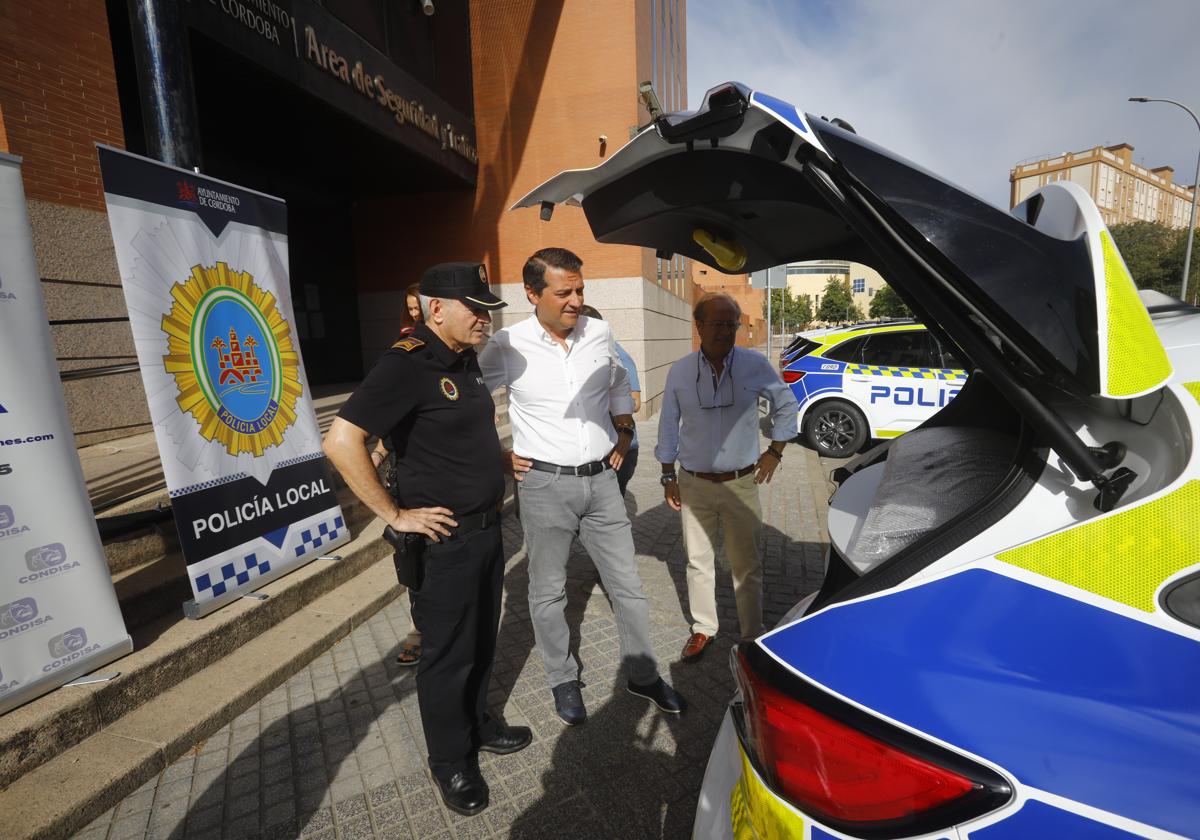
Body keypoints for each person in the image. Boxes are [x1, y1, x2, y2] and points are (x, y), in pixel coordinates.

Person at [323, 262, 529, 817]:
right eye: (475, 307)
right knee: (448, 655)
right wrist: (395, 513)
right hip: (446, 542)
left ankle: (479, 723)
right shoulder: (406, 364)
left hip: (488, 529)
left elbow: (449, 435)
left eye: (488, 308)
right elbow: (342, 441)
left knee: (483, 640)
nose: (485, 318)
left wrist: (499, 462)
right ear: (436, 308)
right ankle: (451, 761)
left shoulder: (465, 361)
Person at [480, 247, 683, 725]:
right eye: (563, 292)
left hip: (603, 484)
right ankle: (561, 678)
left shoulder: (599, 332)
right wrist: (498, 457)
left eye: (580, 290)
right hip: (544, 485)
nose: (575, 301)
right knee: (548, 591)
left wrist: (625, 430)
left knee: (628, 585)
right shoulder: (508, 344)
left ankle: (642, 673)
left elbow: (615, 382)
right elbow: (470, 405)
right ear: (532, 294)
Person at [656, 292, 799, 661]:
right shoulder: (681, 371)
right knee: (697, 561)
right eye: (717, 324)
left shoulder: (754, 365)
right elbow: (669, 424)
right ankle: (704, 628)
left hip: (741, 483)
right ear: (699, 326)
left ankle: (752, 636)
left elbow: (786, 405)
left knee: (746, 564)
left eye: (731, 324)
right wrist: (666, 474)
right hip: (694, 483)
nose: (725, 331)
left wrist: (775, 452)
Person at [373, 285, 426, 666]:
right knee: (412, 558)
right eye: (411, 310)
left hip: (437, 468)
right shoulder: (402, 351)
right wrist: (379, 449)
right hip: (405, 468)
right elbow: (389, 413)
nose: (417, 316)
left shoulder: (457, 354)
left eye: (420, 308)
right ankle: (418, 631)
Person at [579, 305, 640, 497]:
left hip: (621, 449)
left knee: (611, 509)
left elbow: (635, 402)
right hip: (602, 450)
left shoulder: (618, 356)